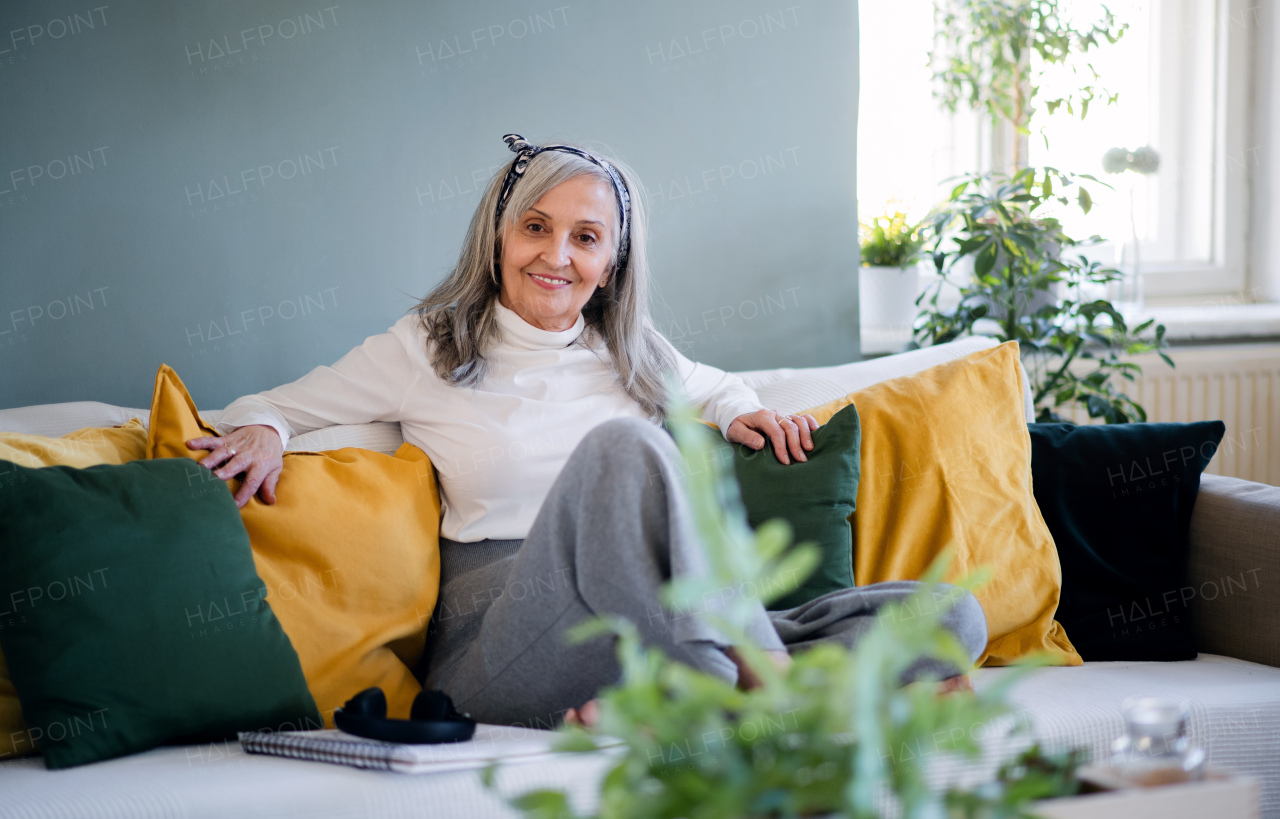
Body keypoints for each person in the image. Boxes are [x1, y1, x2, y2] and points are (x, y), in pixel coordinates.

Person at [188, 134, 987, 729]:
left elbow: (715, 386)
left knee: (951, 617)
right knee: (626, 448)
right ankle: (769, 695)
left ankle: (689, 703)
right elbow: (275, 404)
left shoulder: (630, 352)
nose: (557, 255)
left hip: (656, 621)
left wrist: (740, 411)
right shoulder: (426, 345)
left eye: (585, 237)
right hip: (501, 635)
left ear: (613, 260)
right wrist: (263, 430)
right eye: (536, 227)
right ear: (499, 236)